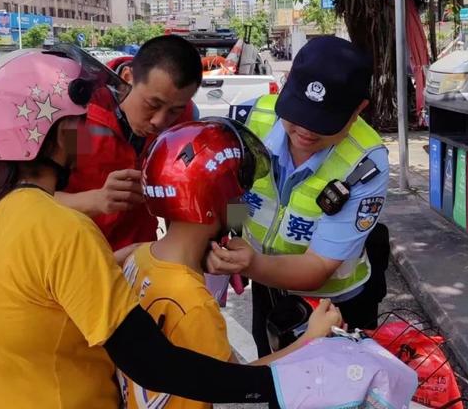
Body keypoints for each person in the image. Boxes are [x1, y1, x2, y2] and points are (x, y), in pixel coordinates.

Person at [0, 45, 348, 409]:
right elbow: (160, 367)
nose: (159, 120)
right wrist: (305, 354)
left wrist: (114, 262)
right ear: (63, 132)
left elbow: (226, 195)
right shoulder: (64, 227)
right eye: (78, 125)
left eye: (173, 110)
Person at [120, 118, 343, 408]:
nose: (243, 205)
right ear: (217, 201)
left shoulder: (139, 256)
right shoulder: (193, 303)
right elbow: (235, 381)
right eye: (240, 196)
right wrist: (311, 338)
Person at [207, 36, 391, 356]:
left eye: (322, 123)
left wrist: (249, 264)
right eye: (298, 114)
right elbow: (237, 192)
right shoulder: (253, 118)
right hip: (269, 287)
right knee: (273, 371)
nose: (305, 131)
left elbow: (318, 265)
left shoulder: (367, 162)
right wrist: (232, 234)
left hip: (335, 304)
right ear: (287, 85)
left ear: (358, 110)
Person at [56, 36, 202, 254]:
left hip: (139, 262)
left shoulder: (185, 121)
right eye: (153, 104)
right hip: (73, 263)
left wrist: (223, 238)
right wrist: (95, 200)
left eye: (175, 110)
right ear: (127, 78)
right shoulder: (79, 113)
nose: (160, 122)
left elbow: (208, 192)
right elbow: (28, 199)